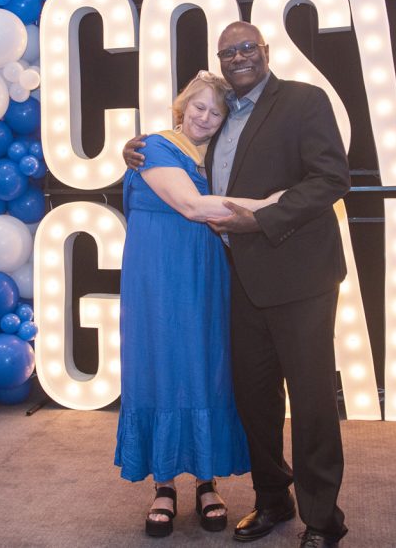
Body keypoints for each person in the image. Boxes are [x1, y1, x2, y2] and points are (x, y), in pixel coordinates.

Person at [126, 22, 350, 547]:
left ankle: (324, 521)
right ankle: (273, 499)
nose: (239, 57)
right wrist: (135, 149)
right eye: (228, 52)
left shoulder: (303, 100)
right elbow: (179, 157)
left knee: (312, 403)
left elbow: (331, 179)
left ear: (265, 51)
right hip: (237, 282)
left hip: (299, 279)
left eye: (247, 47)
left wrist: (263, 218)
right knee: (254, 400)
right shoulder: (220, 118)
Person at [115, 71, 282, 539]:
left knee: (207, 366)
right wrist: (275, 204)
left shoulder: (221, 158)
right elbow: (193, 206)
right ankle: (164, 486)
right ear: (182, 106)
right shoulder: (154, 147)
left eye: (216, 112)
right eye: (198, 107)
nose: (205, 117)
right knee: (161, 365)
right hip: (157, 276)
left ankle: (207, 482)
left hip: (207, 272)